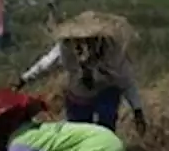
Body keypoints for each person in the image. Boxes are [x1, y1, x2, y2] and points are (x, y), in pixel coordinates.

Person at [12, 10, 146, 136]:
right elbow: (45, 64)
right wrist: (24, 79)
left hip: (106, 89)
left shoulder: (112, 50)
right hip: (79, 92)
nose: (86, 43)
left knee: (106, 126)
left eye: (92, 38)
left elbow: (126, 80)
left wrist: (137, 111)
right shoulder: (66, 47)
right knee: (78, 131)